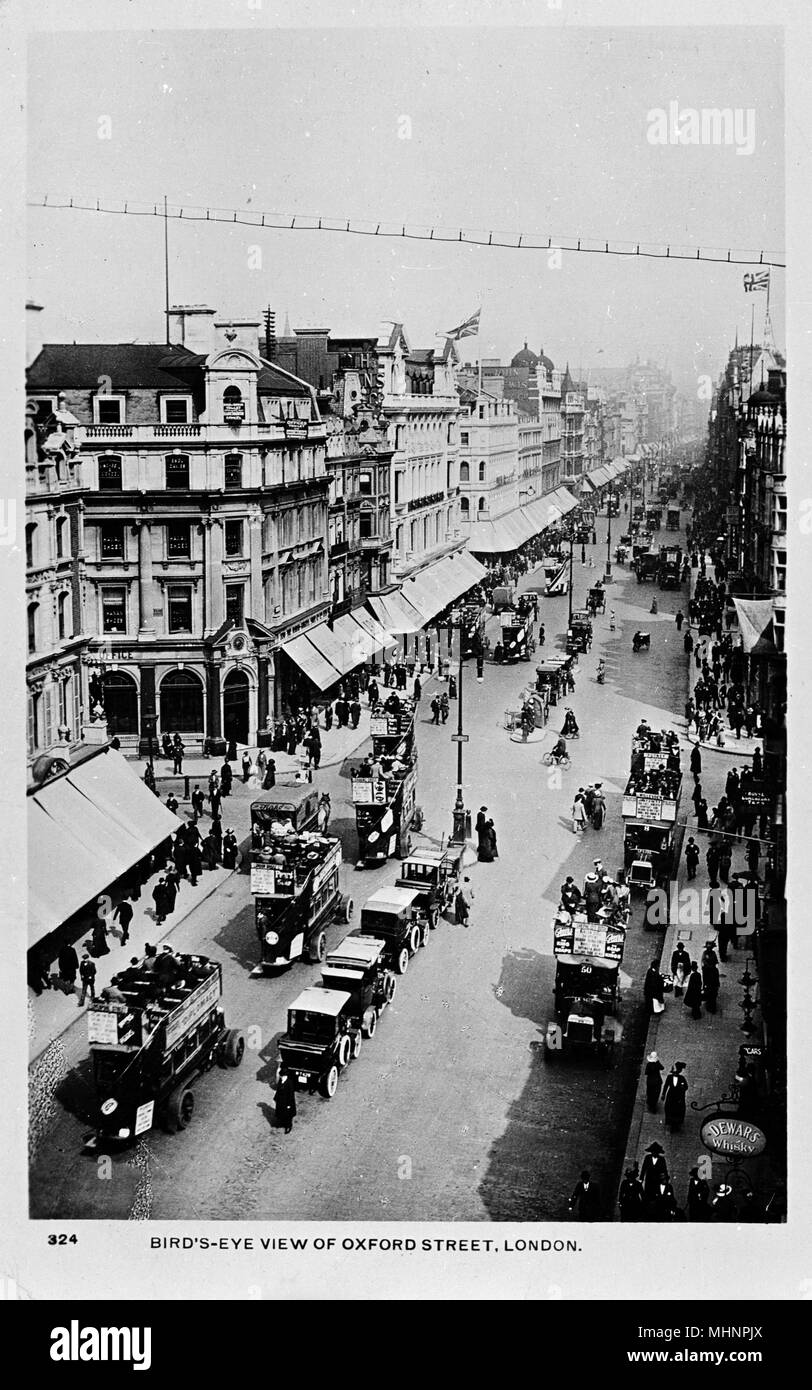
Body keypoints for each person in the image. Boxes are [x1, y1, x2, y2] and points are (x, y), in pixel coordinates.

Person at [662, 1061, 688, 1131]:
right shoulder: (669, 1077)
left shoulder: (682, 1078)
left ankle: (676, 1123)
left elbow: (686, 1087)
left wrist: (682, 1089)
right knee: (669, 1108)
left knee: (678, 1110)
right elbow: (666, 1086)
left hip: (679, 1096)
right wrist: (663, 1094)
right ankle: (670, 1122)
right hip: (670, 1095)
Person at [274, 1070, 297, 1134]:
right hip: (281, 1101)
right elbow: (278, 1090)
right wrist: (275, 1098)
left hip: (287, 1102)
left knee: (288, 1116)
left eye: (282, 1076)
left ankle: (288, 1126)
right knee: (281, 1113)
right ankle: (282, 1123)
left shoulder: (289, 1083)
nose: (281, 1077)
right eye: (281, 1076)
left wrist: (289, 1104)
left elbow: (291, 1095)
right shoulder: (281, 1081)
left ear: (285, 1076)